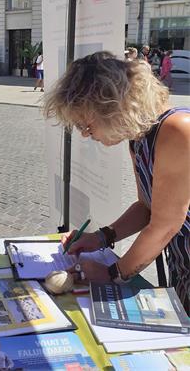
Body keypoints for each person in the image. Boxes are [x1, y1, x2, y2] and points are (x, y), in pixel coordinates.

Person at [44, 51, 190, 314]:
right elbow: (146, 207)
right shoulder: (139, 135)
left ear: (113, 107)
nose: (86, 135)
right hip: (183, 266)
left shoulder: (178, 129)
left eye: (87, 125)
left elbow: (166, 224)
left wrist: (113, 274)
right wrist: (101, 237)